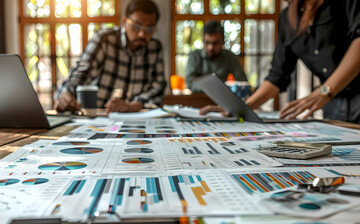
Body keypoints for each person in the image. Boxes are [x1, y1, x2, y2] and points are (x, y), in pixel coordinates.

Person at [201, 0, 360, 123]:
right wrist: (240, 108)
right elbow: (277, 76)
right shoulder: (287, 20)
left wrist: (325, 90)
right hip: (333, 106)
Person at [54, 0, 166, 113]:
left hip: (135, 118)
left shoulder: (155, 48)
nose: (142, 34)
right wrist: (66, 94)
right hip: (98, 116)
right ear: (124, 22)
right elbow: (80, 73)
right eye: (136, 26)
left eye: (149, 29)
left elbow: (158, 88)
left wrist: (134, 105)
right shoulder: (104, 39)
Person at [185, 20, 247, 93]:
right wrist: (216, 87)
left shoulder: (230, 57)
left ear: (223, 42)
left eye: (215, 43)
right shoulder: (194, 56)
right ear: (203, 40)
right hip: (198, 100)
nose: (210, 47)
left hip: (222, 101)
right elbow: (190, 83)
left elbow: (243, 83)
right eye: (207, 42)